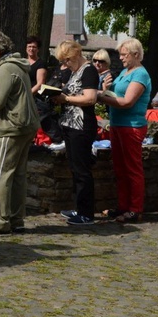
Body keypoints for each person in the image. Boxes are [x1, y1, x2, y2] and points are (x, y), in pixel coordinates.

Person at [0, 31, 40, 234]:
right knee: (17, 175)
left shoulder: (5, 68)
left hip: (11, 127)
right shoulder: (17, 65)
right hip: (24, 126)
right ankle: (15, 219)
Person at [97, 38, 151, 223]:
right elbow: (115, 93)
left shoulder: (140, 74)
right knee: (120, 168)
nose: (120, 58)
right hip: (118, 124)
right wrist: (104, 91)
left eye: (124, 54)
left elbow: (128, 102)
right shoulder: (124, 72)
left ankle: (135, 209)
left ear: (136, 55)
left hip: (131, 126)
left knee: (132, 169)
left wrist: (101, 98)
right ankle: (123, 206)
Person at [53, 41, 100, 226]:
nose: (65, 64)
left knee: (82, 170)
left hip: (81, 126)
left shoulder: (88, 71)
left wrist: (66, 98)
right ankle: (79, 207)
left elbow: (90, 98)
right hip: (70, 125)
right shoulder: (75, 71)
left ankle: (86, 213)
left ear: (76, 54)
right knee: (74, 168)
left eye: (67, 60)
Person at [27, 36, 64, 150]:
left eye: (34, 47)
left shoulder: (40, 64)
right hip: (25, 98)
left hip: (36, 98)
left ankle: (59, 141)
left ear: (38, 49)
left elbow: (40, 84)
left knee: (44, 120)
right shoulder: (22, 62)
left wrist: (26, 95)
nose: (31, 49)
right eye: (29, 46)